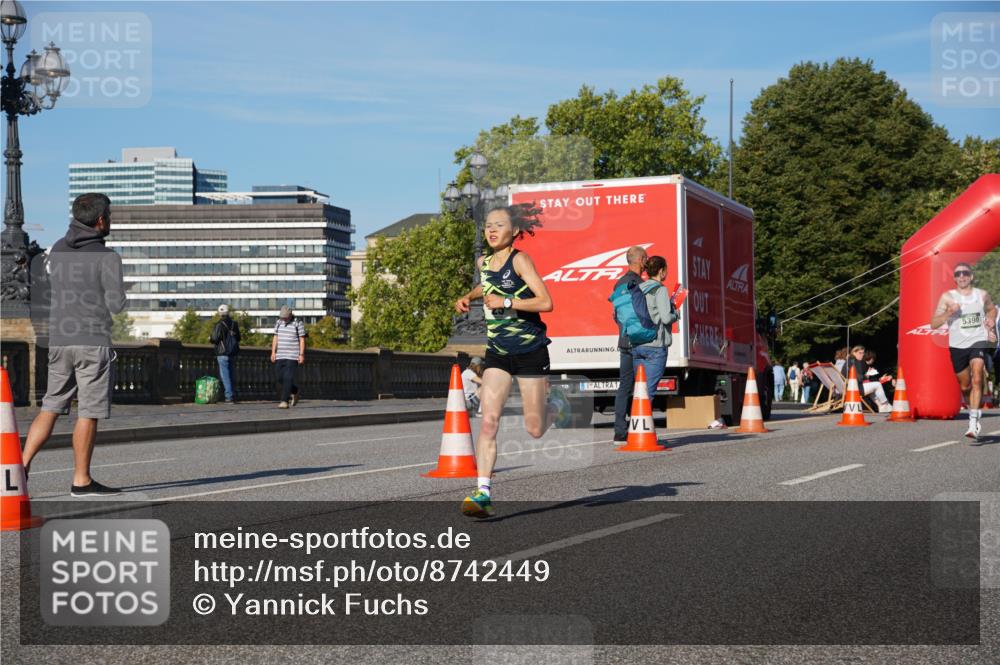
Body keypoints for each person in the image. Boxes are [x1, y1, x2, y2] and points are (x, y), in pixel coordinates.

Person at [21, 193, 127, 496]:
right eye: (110, 215)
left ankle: (21, 468)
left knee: (51, 406)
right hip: (91, 341)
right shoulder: (108, 258)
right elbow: (116, 305)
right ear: (101, 220)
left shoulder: (57, 249)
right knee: (88, 411)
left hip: (59, 339)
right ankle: (81, 480)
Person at [453, 204, 553, 517]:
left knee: (535, 429)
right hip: (498, 352)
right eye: (488, 226)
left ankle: (557, 407)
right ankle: (483, 491)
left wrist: (508, 302)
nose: (492, 230)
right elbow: (487, 285)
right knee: (489, 420)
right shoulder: (484, 261)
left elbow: (547, 302)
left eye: (499, 225)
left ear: (514, 231)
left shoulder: (520, 259)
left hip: (529, 350)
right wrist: (470, 296)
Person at [930, 262, 997, 440]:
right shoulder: (947, 297)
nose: (962, 276)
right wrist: (949, 314)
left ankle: (973, 422)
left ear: (971, 276)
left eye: (965, 273)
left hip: (978, 341)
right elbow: (934, 323)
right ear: (954, 278)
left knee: (977, 376)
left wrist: (991, 321)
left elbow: (992, 310)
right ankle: (973, 411)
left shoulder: (981, 295)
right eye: (958, 274)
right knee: (965, 385)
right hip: (957, 345)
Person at [611, 246, 649, 443]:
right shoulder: (638, 284)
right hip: (639, 341)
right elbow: (643, 313)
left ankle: (620, 431)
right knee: (643, 385)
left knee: (625, 385)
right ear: (641, 260)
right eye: (646, 259)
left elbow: (616, 315)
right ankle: (640, 428)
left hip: (624, 340)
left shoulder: (619, 283)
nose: (647, 262)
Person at [634, 255, 679, 400]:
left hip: (638, 344)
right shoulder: (660, 290)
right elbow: (666, 318)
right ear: (661, 271)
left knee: (640, 390)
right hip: (655, 345)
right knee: (648, 392)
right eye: (666, 270)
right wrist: (676, 314)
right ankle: (643, 422)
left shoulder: (639, 287)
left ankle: (636, 421)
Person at [271, 305, 306, 408]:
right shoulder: (278, 323)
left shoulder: (297, 323)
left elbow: (302, 339)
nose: (283, 319)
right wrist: (273, 352)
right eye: (282, 317)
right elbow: (275, 337)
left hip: (292, 355)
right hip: (280, 354)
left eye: (285, 317)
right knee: (279, 378)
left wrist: (301, 354)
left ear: (290, 315)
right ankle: (295, 391)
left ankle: (284, 401)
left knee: (288, 377)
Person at [842, 345, 891, 413]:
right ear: (854, 353)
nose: (862, 355)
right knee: (877, 384)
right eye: (860, 353)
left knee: (873, 388)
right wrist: (867, 375)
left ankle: (881, 406)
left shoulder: (851, 361)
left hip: (850, 387)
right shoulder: (853, 362)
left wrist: (867, 374)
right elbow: (859, 378)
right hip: (855, 389)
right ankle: (885, 404)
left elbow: (860, 376)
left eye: (863, 353)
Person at [210, 304, 241, 404]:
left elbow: (215, 339)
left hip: (222, 353)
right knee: (232, 375)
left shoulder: (219, 324)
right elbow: (239, 338)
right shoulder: (234, 324)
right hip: (232, 352)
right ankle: (234, 394)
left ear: (220, 313)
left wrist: (210, 338)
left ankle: (229, 396)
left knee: (225, 376)